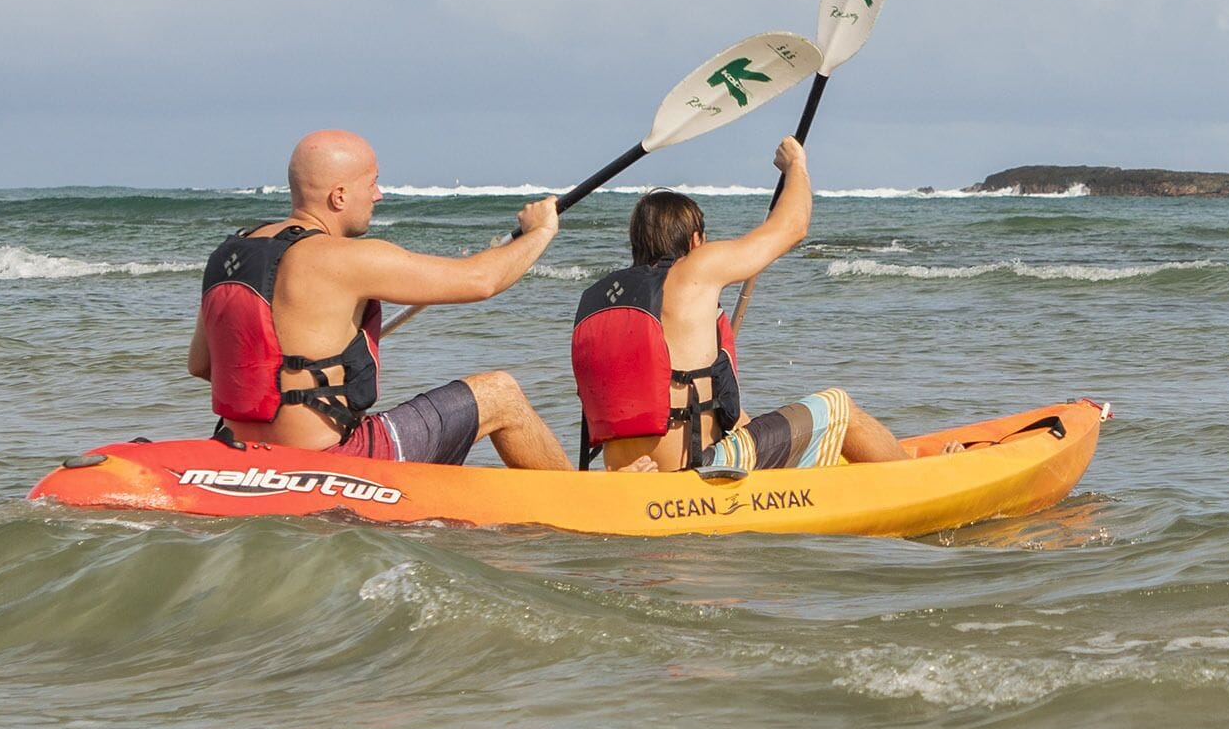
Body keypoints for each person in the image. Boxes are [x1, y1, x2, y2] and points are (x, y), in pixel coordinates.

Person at [187, 129, 568, 468]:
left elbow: (201, 364)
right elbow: (482, 279)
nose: (378, 194)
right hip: (331, 458)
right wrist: (541, 230)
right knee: (500, 394)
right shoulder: (348, 257)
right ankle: (583, 504)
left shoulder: (228, 253)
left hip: (240, 448)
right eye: (372, 183)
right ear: (339, 196)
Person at [571, 137, 907, 472]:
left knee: (759, 428)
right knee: (839, 408)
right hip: (696, 469)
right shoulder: (695, 269)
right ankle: (918, 479)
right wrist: (795, 166)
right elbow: (791, 227)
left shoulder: (599, 298)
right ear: (696, 242)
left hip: (629, 474)